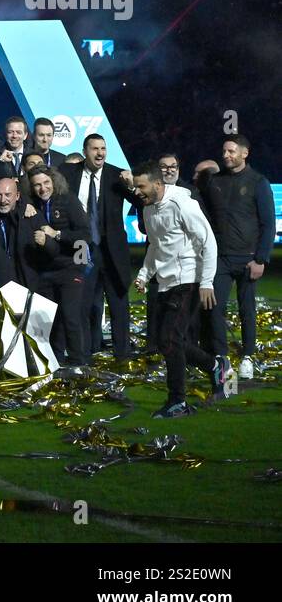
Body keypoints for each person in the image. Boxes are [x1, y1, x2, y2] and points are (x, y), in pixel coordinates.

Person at [131, 161, 229, 418]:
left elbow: (208, 241)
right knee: (170, 342)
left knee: (169, 340)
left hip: (188, 279)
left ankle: (178, 402)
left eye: (141, 186)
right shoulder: (148, 208)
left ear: (157, 184)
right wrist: (144, 275)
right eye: (135, 187)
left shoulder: (182, 204)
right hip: (166, 281)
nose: (137, 192)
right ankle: (217, 366)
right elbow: (155, 245)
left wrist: (206, 281)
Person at [197, 134, 273, 379]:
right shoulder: (214, 181)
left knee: (247, 309)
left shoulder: (258, 182)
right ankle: (221, 357)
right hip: (220, 258)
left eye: (231, 151)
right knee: (213, 307)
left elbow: (268, 223)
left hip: (249, 258)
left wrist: (261, 258)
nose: (226, 155)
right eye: (224, 151)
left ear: (244, 153)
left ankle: (248, 357)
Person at [61, 134, 142, 358]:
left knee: (118, 304)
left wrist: (133, 186)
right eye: (95, 149)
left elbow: (140, 201)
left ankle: (122, 355)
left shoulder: (117, 175)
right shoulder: (69, 173)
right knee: (82, 303)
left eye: (103, 149)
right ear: (85, 151)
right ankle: (85, 354)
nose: (100, 153)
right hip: (81, 249)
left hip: (112, 252)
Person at [22, 167, 92, 367]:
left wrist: (57, 234)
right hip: (45, 272)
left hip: (71, 268)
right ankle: (56, 365)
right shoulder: (32, 203)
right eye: (37, 184)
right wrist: (26, 204)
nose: (42, 188)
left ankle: (79, 365)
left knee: (71, 318)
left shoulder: (68, 200)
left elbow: (85, 236)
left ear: (54, 181)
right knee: (50, 322)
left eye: (46, 183)